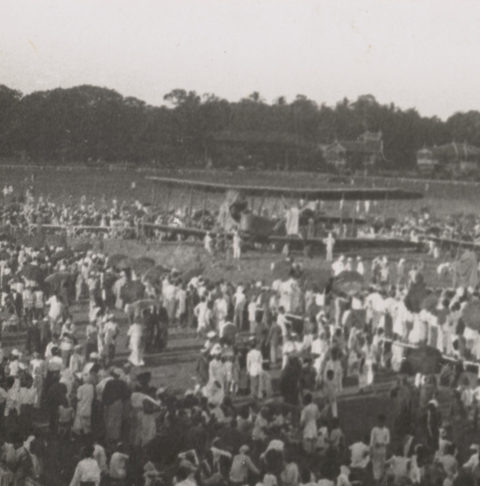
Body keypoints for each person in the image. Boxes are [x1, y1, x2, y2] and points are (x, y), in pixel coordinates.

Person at [370, 414, 390, 484]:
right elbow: (371, 442)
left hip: (383, 452)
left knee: (383, 468)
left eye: (382, 421)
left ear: (384, 421)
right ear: (378, 421)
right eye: (380, 420)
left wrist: (381, 443)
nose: (381, 422)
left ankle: (382, 483)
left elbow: (387, 441)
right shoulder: (374, 430)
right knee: (376, 469)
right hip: (375, 452)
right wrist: (371, 451)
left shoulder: (386, 430)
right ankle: (377, 483)